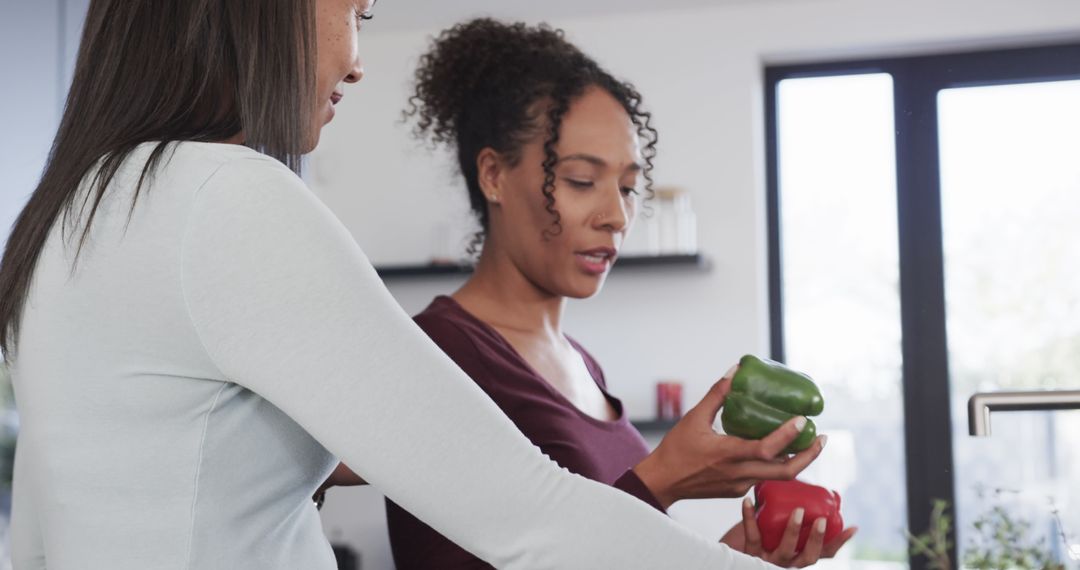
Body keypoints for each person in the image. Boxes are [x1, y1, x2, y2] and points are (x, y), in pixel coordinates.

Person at [3, 1, 818, 569]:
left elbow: (37, 548)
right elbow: (529, 516)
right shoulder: (225, 197)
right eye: (356, 14)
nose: (356, 63)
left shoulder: (73, 215)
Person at [327, 18, 852, 568]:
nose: (617, 216)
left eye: (627, 187)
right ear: (494, 176)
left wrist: (730, 558)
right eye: (581, 181)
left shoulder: (582, 365)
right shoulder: (436, 353)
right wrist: (662, 479)